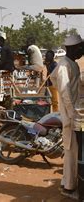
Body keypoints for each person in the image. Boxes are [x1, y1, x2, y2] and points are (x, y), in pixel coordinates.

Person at [50, 34, 83, 199]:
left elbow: (53, 78)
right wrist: (71, 113)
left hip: (73, 113)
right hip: (70, 115)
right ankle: (69, 187)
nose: (82, 51)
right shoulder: (64, 65)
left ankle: (67, 183)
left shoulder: (72, 64)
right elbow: (64, 91)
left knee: (73, 151)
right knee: (71, 151)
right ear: (72, 48)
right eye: (80, 48)